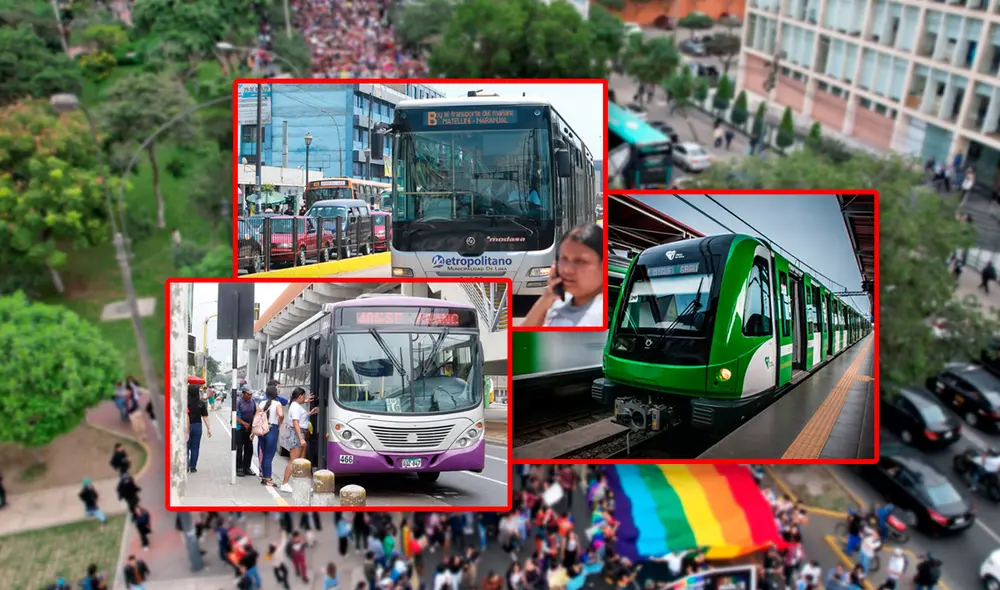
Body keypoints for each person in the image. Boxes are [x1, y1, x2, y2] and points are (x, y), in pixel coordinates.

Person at [521, 223, 604, 328]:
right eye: (564, 259)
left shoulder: (599, 315)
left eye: (580, 261)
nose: (567, 269)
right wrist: (547, 296)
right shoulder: (558, 303)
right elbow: (522, 342)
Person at [279, 388, 317, 493]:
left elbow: (301, 418)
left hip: (299, 433)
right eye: (304, 396)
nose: (305, 399)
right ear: (300, 396)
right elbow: (296, 423)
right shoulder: (295, 407)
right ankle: (285, 484)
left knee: (301, 461)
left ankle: (302, 485)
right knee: (294, 460)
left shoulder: (296, 406)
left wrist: (310, 413)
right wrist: (300, 438)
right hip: (296, 434)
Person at [256, 385, 283, 487]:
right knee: (269, 455)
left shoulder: (262, 403)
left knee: (264, 453)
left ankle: (264, 476)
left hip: (262, 431)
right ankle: (267, 478)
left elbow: (256, 416)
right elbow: (281, 415)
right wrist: (280, 421)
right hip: (272, 429)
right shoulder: (277, 404)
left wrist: (252, 432)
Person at [187, 383, 211, 473]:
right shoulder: (201, 403)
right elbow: (205, 416)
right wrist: (209, 428)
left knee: (186, 446)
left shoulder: (185, 402)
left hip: (186, 426)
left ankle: (185, 466)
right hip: (197, 426)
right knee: (195, 447)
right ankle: (193, 467)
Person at [235, 385, 257, 477]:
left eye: (251, 394)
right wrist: (243, 423)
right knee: (239, 448)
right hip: (239, 428)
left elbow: (255, 413)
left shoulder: (252, 401)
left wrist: (253, 426)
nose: (250, 396)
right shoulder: (238, 402)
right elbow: (234, 416)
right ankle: (239, 468)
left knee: (249, 449)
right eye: (248, 394)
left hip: (249, 428)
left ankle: (246, 467)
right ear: (243, 393)